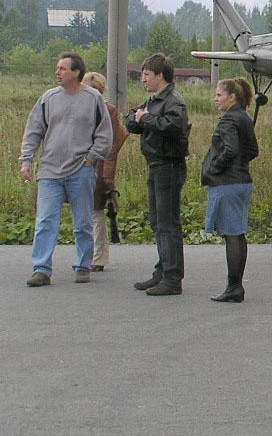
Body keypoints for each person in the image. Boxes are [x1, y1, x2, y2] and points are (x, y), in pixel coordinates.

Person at [19, 52, 113, 286]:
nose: (57, 72)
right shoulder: (48, 98)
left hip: (81, 170)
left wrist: (92, 158)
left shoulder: (93, 99)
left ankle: (83, 265)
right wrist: (26, 160)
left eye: (62, 68)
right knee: (46, 221)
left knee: (82, 222)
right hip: (50, 170)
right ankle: (41, 268)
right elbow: (33, 130)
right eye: (57, 68)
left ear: (76, 73)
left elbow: (105, 134)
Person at [126, 53, 191, 297]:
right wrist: (140, 119)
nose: (143, 79)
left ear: (160, 75)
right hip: (155, 164)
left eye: (147, 75)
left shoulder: (173, 100)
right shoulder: (153, 100)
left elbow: (174, 127)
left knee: (168, 223)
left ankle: (172, 278)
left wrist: (147, 119)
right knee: (157, 221)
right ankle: (162, 271)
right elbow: (131, 120)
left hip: (169, 165)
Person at [202, 77, 259, 303]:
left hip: (228, 183)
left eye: (219, 94)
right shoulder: (244, 117)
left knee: (232, 235)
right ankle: (235, 285)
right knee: (238, 233)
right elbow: (253, 150)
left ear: (231, 97)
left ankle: (234, 286)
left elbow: (230, 149)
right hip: (242, 181)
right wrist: (239, 164)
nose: (216, 99)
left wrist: (215, 167)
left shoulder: (228, 120)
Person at [81, 72, 129, 273]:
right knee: (90, 213)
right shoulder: (84, 108)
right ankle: (91, 255)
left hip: (98, 165)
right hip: (82, 164)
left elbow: (113, 143)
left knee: (96, 211)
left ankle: (98, 256)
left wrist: (107, 175)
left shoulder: (108, 111)